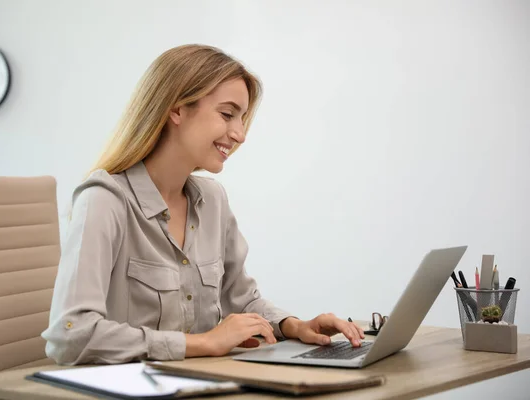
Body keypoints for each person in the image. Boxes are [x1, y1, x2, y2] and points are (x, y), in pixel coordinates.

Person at [42, 44, 364, 365]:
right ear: (177, 110)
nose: (239, 134)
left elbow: (242, 299)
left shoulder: (213, 201)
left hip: (204, 385)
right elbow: (71, 335)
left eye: (241, 118)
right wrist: (201, 343)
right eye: (227, 114)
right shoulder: (104, 199)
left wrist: (295, 326)